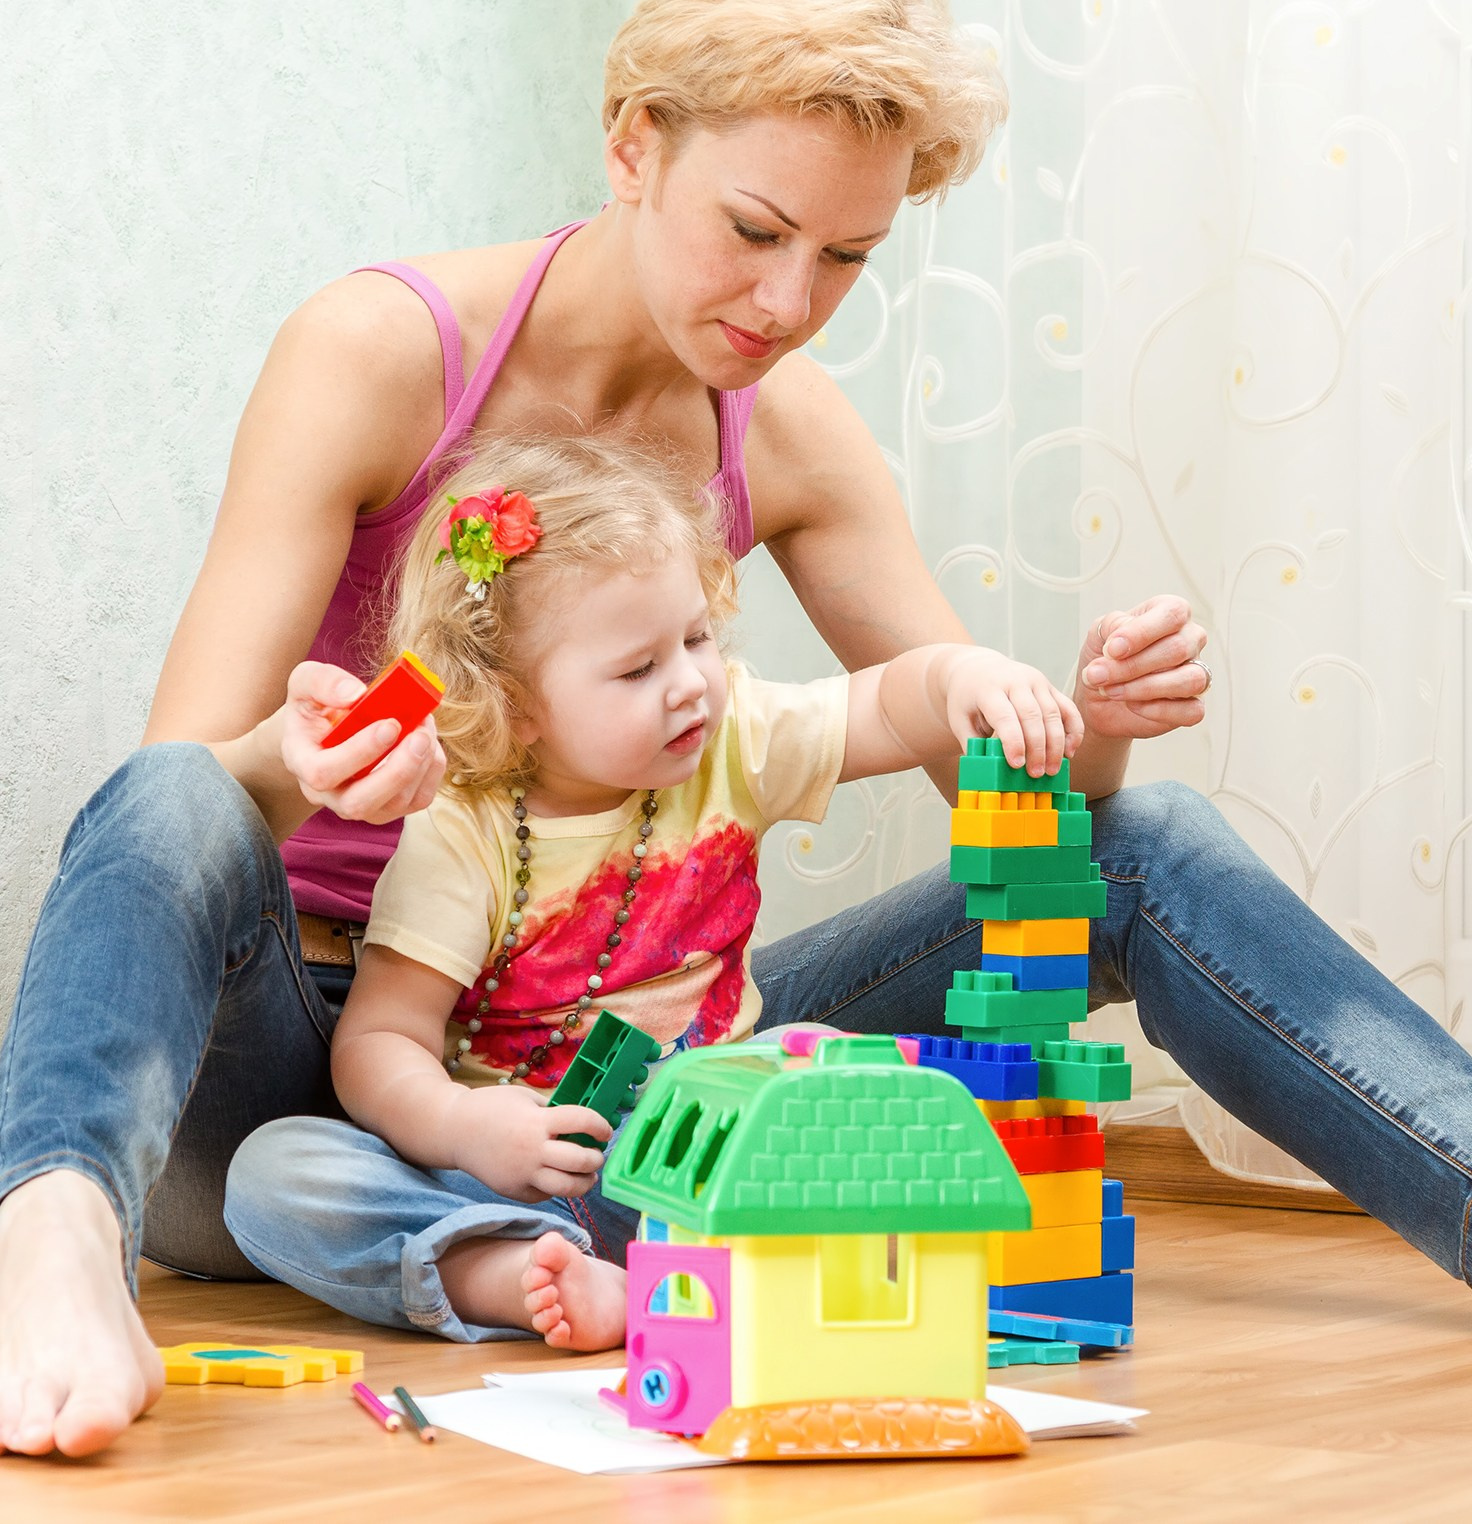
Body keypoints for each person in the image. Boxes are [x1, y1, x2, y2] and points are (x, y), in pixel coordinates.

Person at [0, 0, 1472, 1461]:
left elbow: (1001, 782)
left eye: (844, 260)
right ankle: (58, 1255)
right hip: (330, 1055)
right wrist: (295, 762)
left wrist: (1100, 715)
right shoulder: (383, 355)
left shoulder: (780, 428)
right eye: (750, 229)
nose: (785, 303)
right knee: (166, 805)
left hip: (623, 1048)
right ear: (632, 141)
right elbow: (179, 812)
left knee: (1128, 850)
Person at [219, 433, 1092, 1350]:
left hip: (714, 1152)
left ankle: (704, 1281)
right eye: (638, 669)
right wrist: (463, 1125)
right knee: (275, 1171)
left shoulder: (732, 739)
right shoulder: (464, 830)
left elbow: (879, 707)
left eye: (697, 637)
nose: (689, 686)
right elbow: (381, 1039)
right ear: (515, 704)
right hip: (523, 1177)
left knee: (832, 1067)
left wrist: (961, 676)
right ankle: (512, 1271)